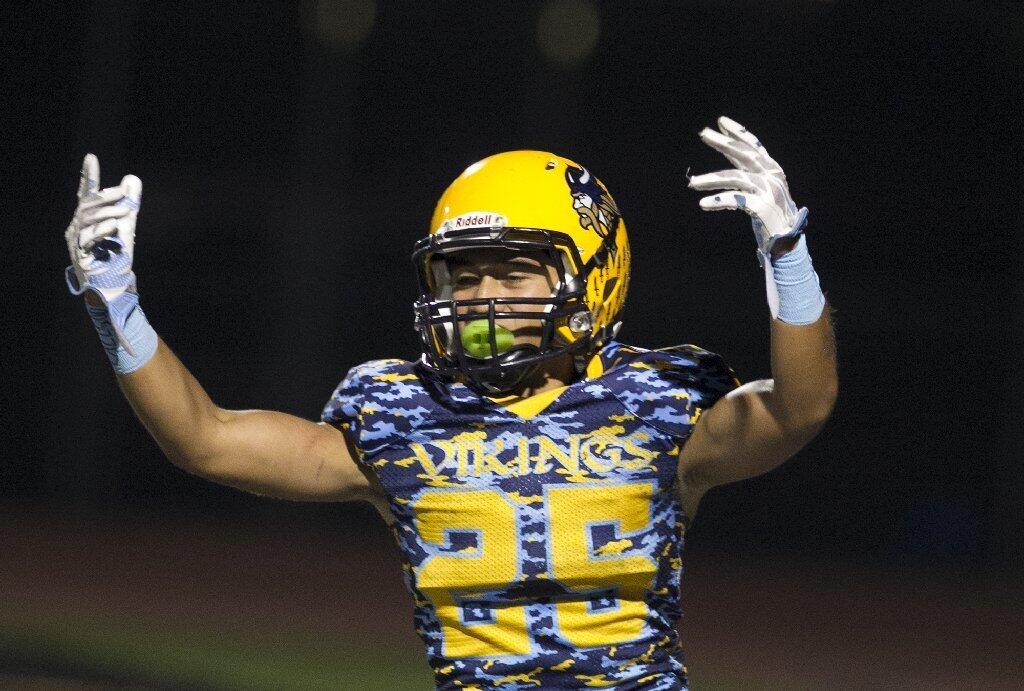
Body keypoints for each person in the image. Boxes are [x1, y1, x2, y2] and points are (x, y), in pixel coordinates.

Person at [64, 116, 837, 690]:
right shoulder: (404, 410)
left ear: (592, 278)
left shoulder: (657, 401)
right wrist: (116, 305)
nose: (482, 297)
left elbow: (798, 408)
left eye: (512, 273)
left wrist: (787, 255)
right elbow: (206, 439)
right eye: (464, 277)